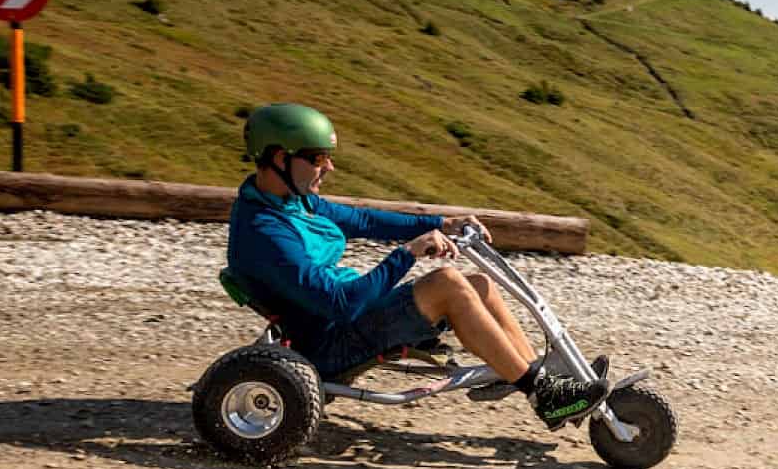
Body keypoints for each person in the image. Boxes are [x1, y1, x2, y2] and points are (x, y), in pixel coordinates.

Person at [225, 103, 607, 429]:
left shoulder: (293, 201)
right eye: (317, 158)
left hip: (345, 320)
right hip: (331, 341)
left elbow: (364, 221)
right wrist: (408, 253)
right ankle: (543, 395)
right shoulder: (265, 233)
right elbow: (339, 303)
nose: (329, 168)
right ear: (279, 158)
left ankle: (540, 378)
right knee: (448, 285)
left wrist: (439, 224)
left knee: (479, 285)